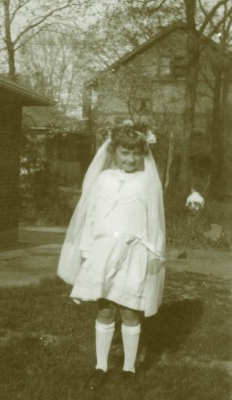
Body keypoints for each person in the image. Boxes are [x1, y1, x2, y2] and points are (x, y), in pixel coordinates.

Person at [57, 121, 165, 390]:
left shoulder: (147, 181)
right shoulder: (103, 180)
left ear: (143, 154)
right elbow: (91, 217)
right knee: (105, 308)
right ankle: (101, 365)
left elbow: (155, 221)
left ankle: (129, 368)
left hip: (135, 252)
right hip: (103, 251)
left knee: (129, 309)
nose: (130, 159)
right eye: (124, 153)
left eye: (135, 153)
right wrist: (85, 252)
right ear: (114, 151)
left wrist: (155, 254)